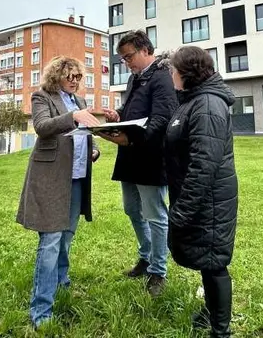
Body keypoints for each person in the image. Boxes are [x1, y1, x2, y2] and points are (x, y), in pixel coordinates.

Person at [16, 56, 101, 328]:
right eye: (70, 76)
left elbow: (84, 136)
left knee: (67, 236)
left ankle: (62, 281)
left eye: (79, 77)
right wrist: (73, 117)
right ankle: (41, 311)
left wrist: (93, 150)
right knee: (50, 240)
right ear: (57, 76)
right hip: (50, 179)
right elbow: (42, 128)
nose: (76, 81)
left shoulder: (81, 102)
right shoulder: (42, 97)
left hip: (76, 178)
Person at [163, 46, 238, 338]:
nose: (170, 74)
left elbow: (204, 164)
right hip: (201, 197)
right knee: (207, 260)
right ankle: (210, 313)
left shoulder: (207, 104)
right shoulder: (193, 101)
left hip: (211, 199)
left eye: (172, 70)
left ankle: (221, 331)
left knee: (215, 261)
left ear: (185, 73)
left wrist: (182, 210)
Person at [100, 30, 178, 296]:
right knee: (132, 209)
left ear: (145, 50)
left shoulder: (162, 77)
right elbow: (134, 112)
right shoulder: (135, 79)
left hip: (150, 157)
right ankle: (146, 257)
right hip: (130, 156)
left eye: (128, 56)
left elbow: (161, 120)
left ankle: (158, 271)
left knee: (155, 215)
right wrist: (117, 114)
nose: (126, 63)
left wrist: (131, 139)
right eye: (122, 59)